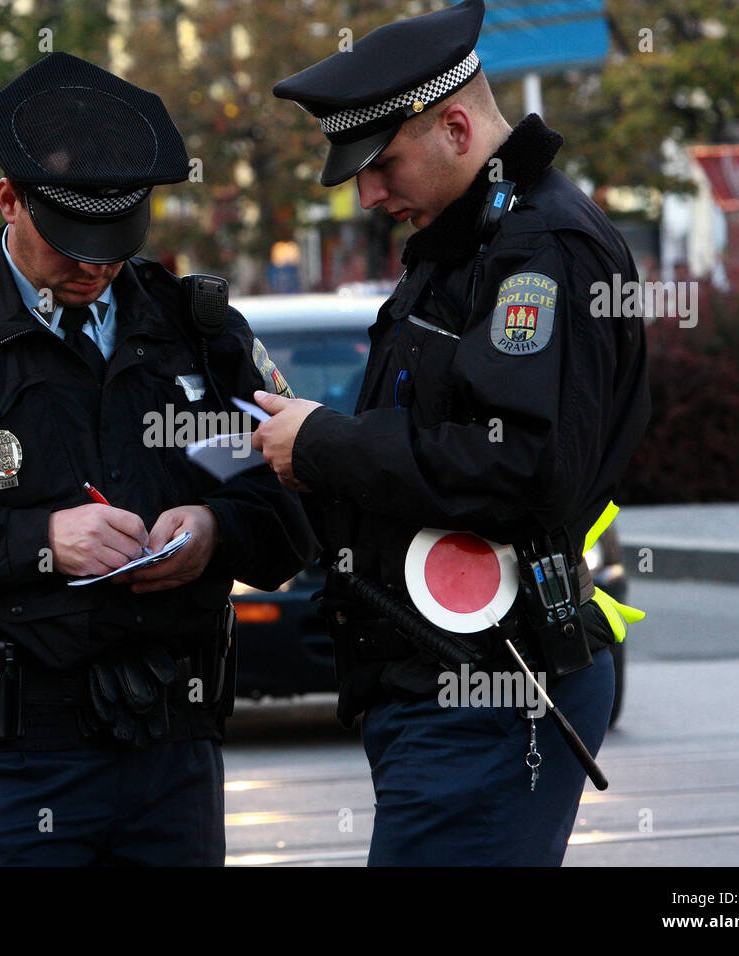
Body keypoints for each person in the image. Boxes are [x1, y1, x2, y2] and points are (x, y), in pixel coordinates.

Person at [0, 52, 312, 866]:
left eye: (116, 241)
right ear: (9, 199)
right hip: (10, 756)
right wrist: (41, 540)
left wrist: (216, 530)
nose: (94, 265)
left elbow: (294, 505)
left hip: (171, 749)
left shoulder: (201, 333)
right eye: (72, 240)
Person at [254, 0, 650, 865]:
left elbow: (524, 468)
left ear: (457, 126)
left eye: (383, 163)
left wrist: (324, 442)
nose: (368, 193)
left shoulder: (541, 251)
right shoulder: (467, 245)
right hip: (439, 680)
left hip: (491, 690)